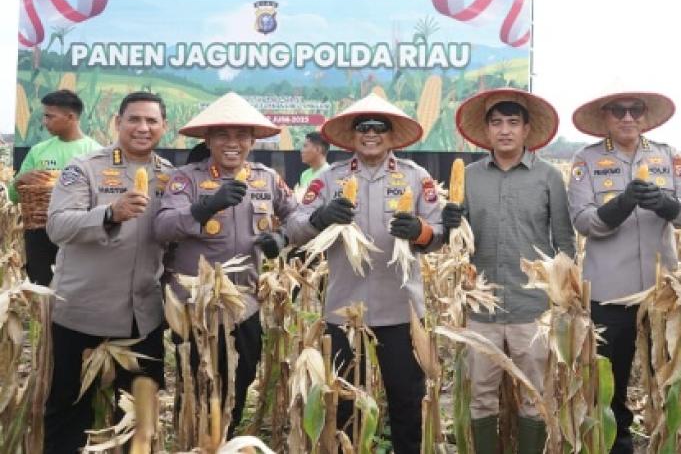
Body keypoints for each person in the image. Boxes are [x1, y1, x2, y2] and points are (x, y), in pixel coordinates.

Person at [285, 93, 443, 454]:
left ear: (391, 135)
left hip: (401, 310)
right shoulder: (329, 179)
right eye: (363, 127)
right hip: (345, 308)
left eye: (379, 127)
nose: (371, 133)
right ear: (352, 135)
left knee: (406, 400)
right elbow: (294, 227)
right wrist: (319, 219)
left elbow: (439, 234)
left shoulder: (416, 178)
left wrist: (419, 231)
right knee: (342, 404)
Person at [567, 87, 681, 454]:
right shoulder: (587, 160)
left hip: (663, 292)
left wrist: (668, 205)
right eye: (618, 111)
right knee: (610, 386)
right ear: (605, 118)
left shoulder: (668, 157)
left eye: (635, 110)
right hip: (610, 293)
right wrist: (622, 204)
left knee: (669, 382)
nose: (627, 117)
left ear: (644, 116)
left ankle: (669, 443)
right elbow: (583, 221)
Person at [155, 92, 296, 433]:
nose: (232, 143)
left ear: (252, 140)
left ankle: (226, 436)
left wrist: (283, 238)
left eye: (240, 135)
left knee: (242, 373)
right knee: (199, 380)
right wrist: (203, 208)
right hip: (195, 304)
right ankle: (196, 438)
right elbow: (162, 226)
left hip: (244, 302)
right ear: (208, 140)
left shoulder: (266, 179)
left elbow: (298, 215)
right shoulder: (186, 179)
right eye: (222, 135)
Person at [444, 88, 574, 453]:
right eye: (497, 123)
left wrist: (563, 300)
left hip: (532, 307)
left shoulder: (548, 177)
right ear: (486, 131)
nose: (504, 130)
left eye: (513, 123)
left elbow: (565, 243)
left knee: (534, 395)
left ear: (527, 130)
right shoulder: (469, 176)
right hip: (481, 305)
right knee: (481, 396)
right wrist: (449, 222)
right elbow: (455, 241)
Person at [44, 91, 170, 454]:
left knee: (137, 418)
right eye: (134, 119)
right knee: (68, 410)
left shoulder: (170, 177)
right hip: (82, 313)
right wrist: (109, 213)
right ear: (118, 122)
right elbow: (58, 226)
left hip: (140, 318)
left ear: (164, 127)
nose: (143, 127)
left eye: (151, 121)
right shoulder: (84, 168)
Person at [9, 89, 100, 284]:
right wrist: (21, 179)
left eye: (50, 116)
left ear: (70, 117)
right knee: (41, 292)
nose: (44, 122)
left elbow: (101, 202)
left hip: (77, 237)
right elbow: (14, 196)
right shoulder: (38, 151)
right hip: (39, 234)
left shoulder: (95, 153)